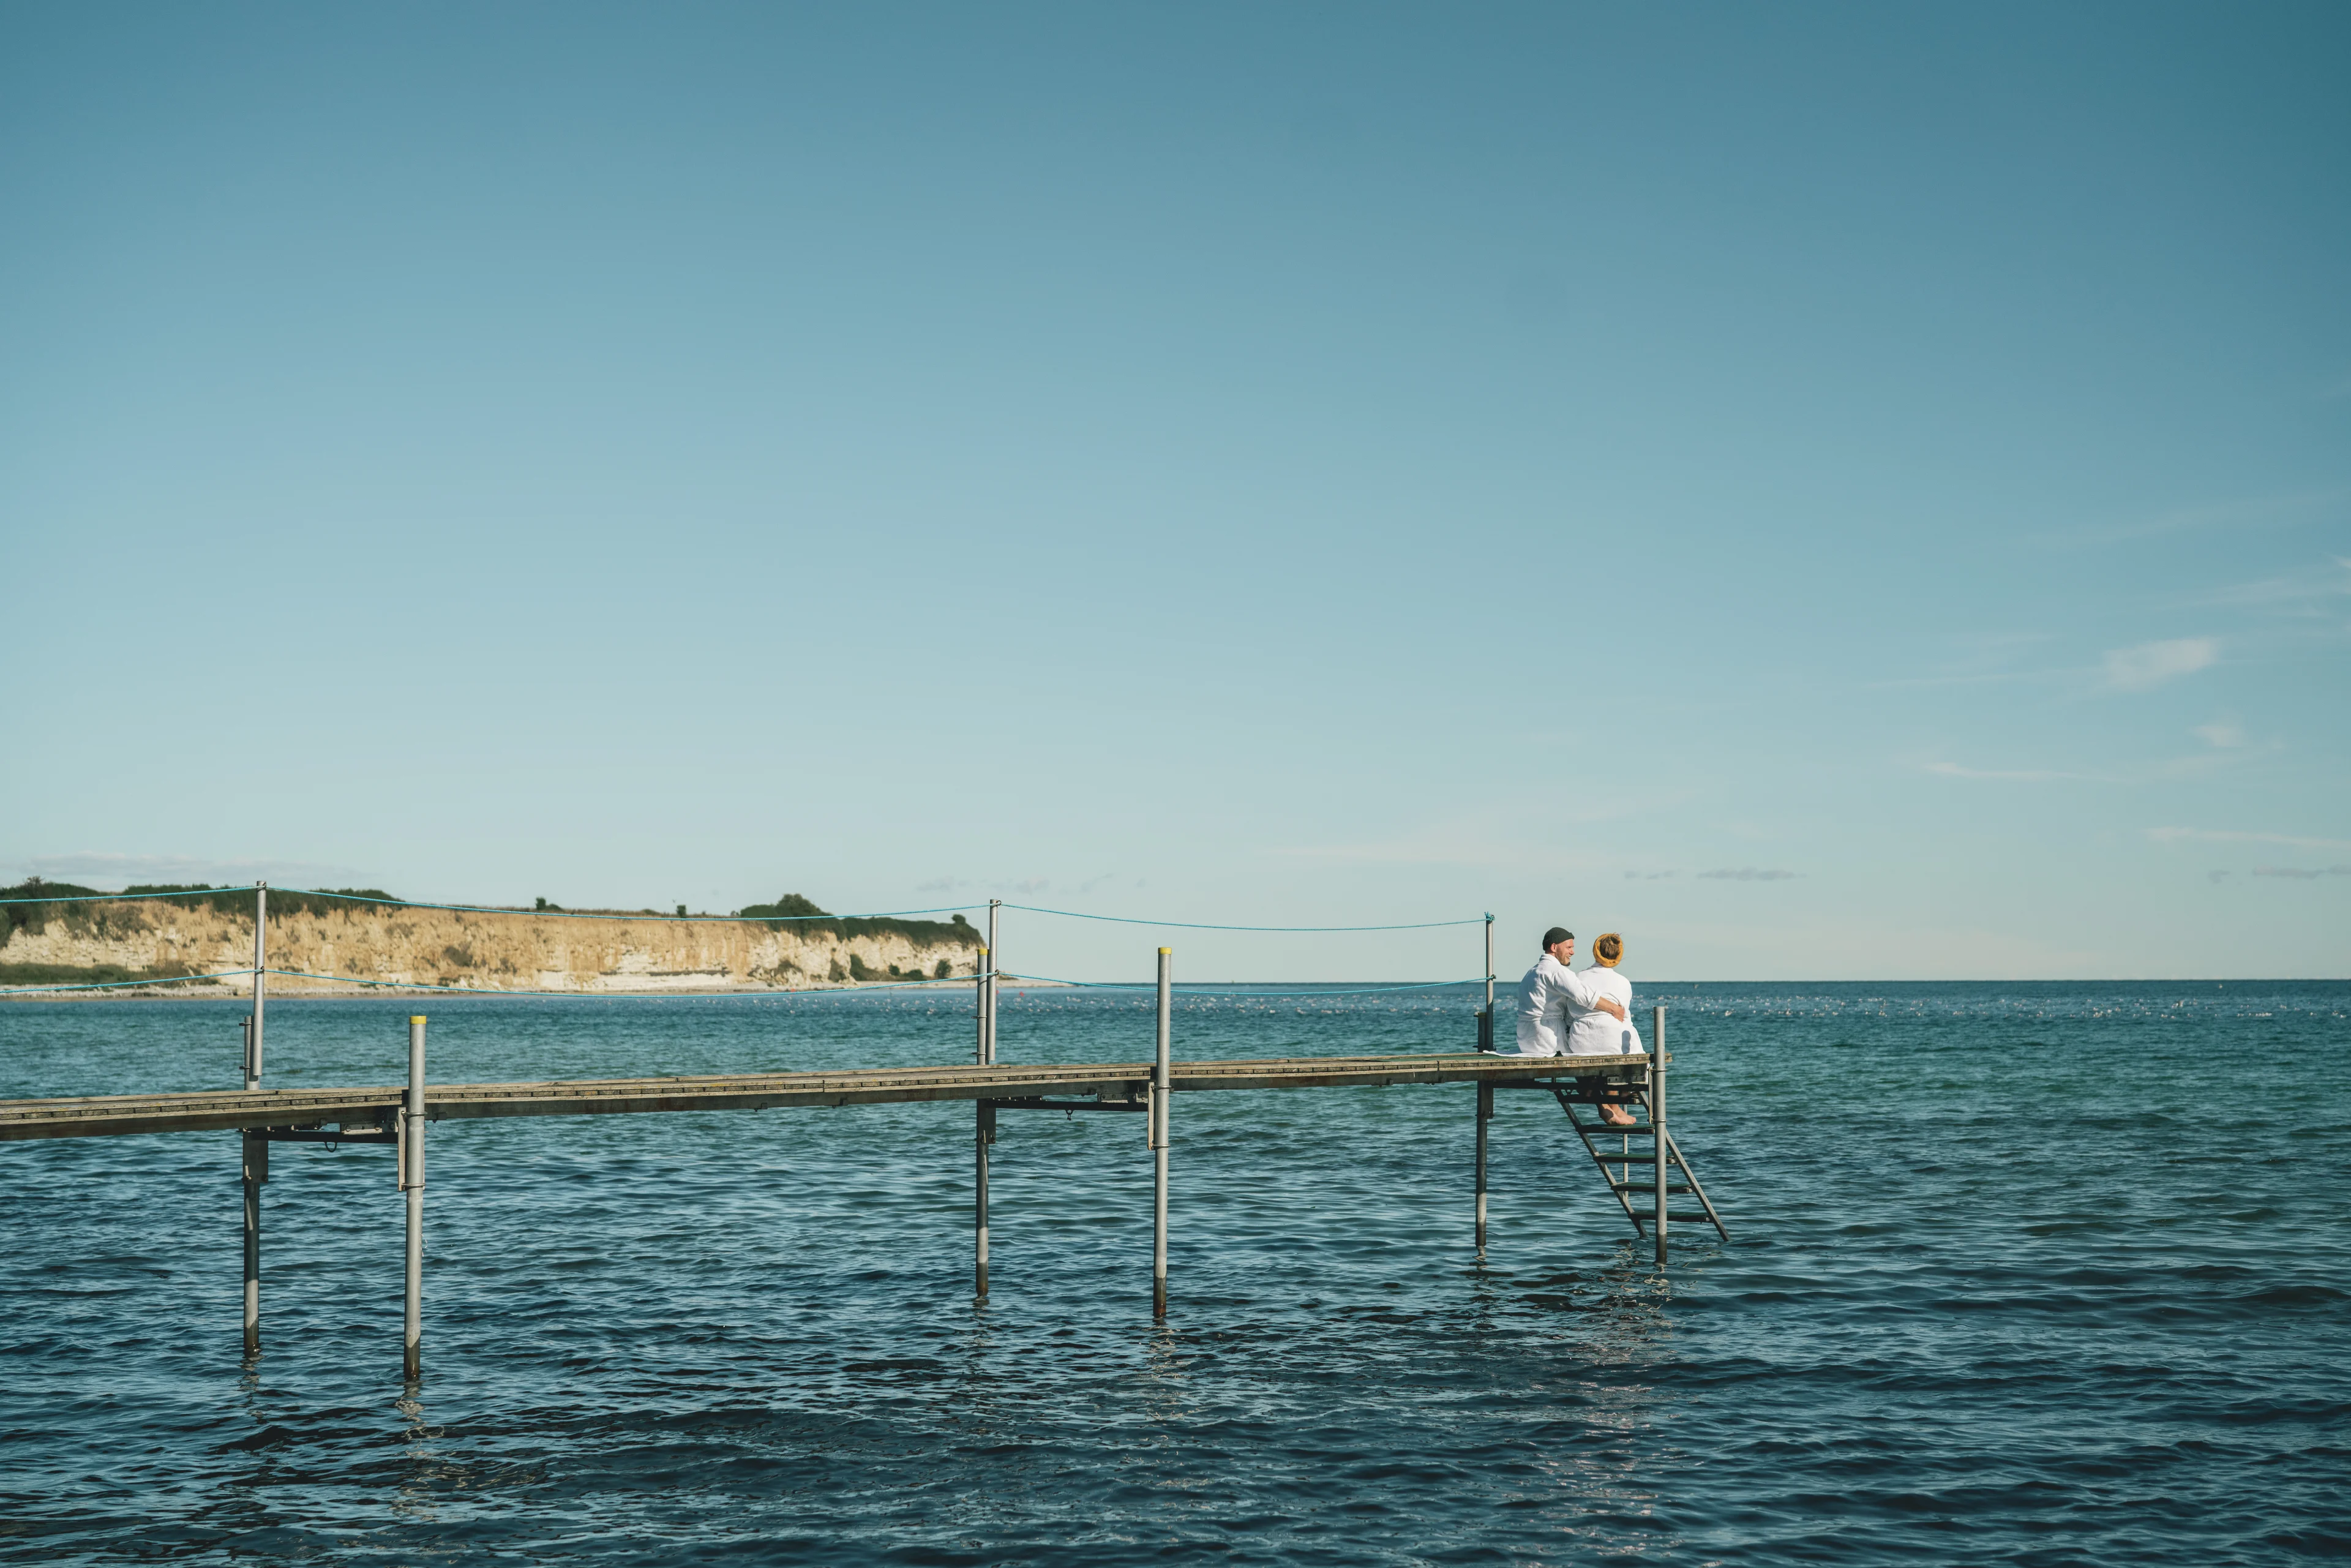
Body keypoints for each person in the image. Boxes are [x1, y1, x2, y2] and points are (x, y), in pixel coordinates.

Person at [1565, 932, 1642, 1125]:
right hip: (1611, 1041)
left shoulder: (1578, 978)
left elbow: (1569, 1014)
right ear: (1618, 957)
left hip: (1580, 1041)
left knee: (1597, 1053)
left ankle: (1606, 1107)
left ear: (1595, 952)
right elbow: (1623, 1014)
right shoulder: (1622, 982)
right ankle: (1614, 1105)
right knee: (1618, 1045)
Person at [1513, 928, 1627, 1056]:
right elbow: (1583, 995)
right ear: (1554, 947)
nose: (1572, 952)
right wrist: (1614, 1009)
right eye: (1569, 948)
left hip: (1525, 1040)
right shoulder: (1556, 971)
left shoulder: (1531, 972)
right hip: (1546, 1040)